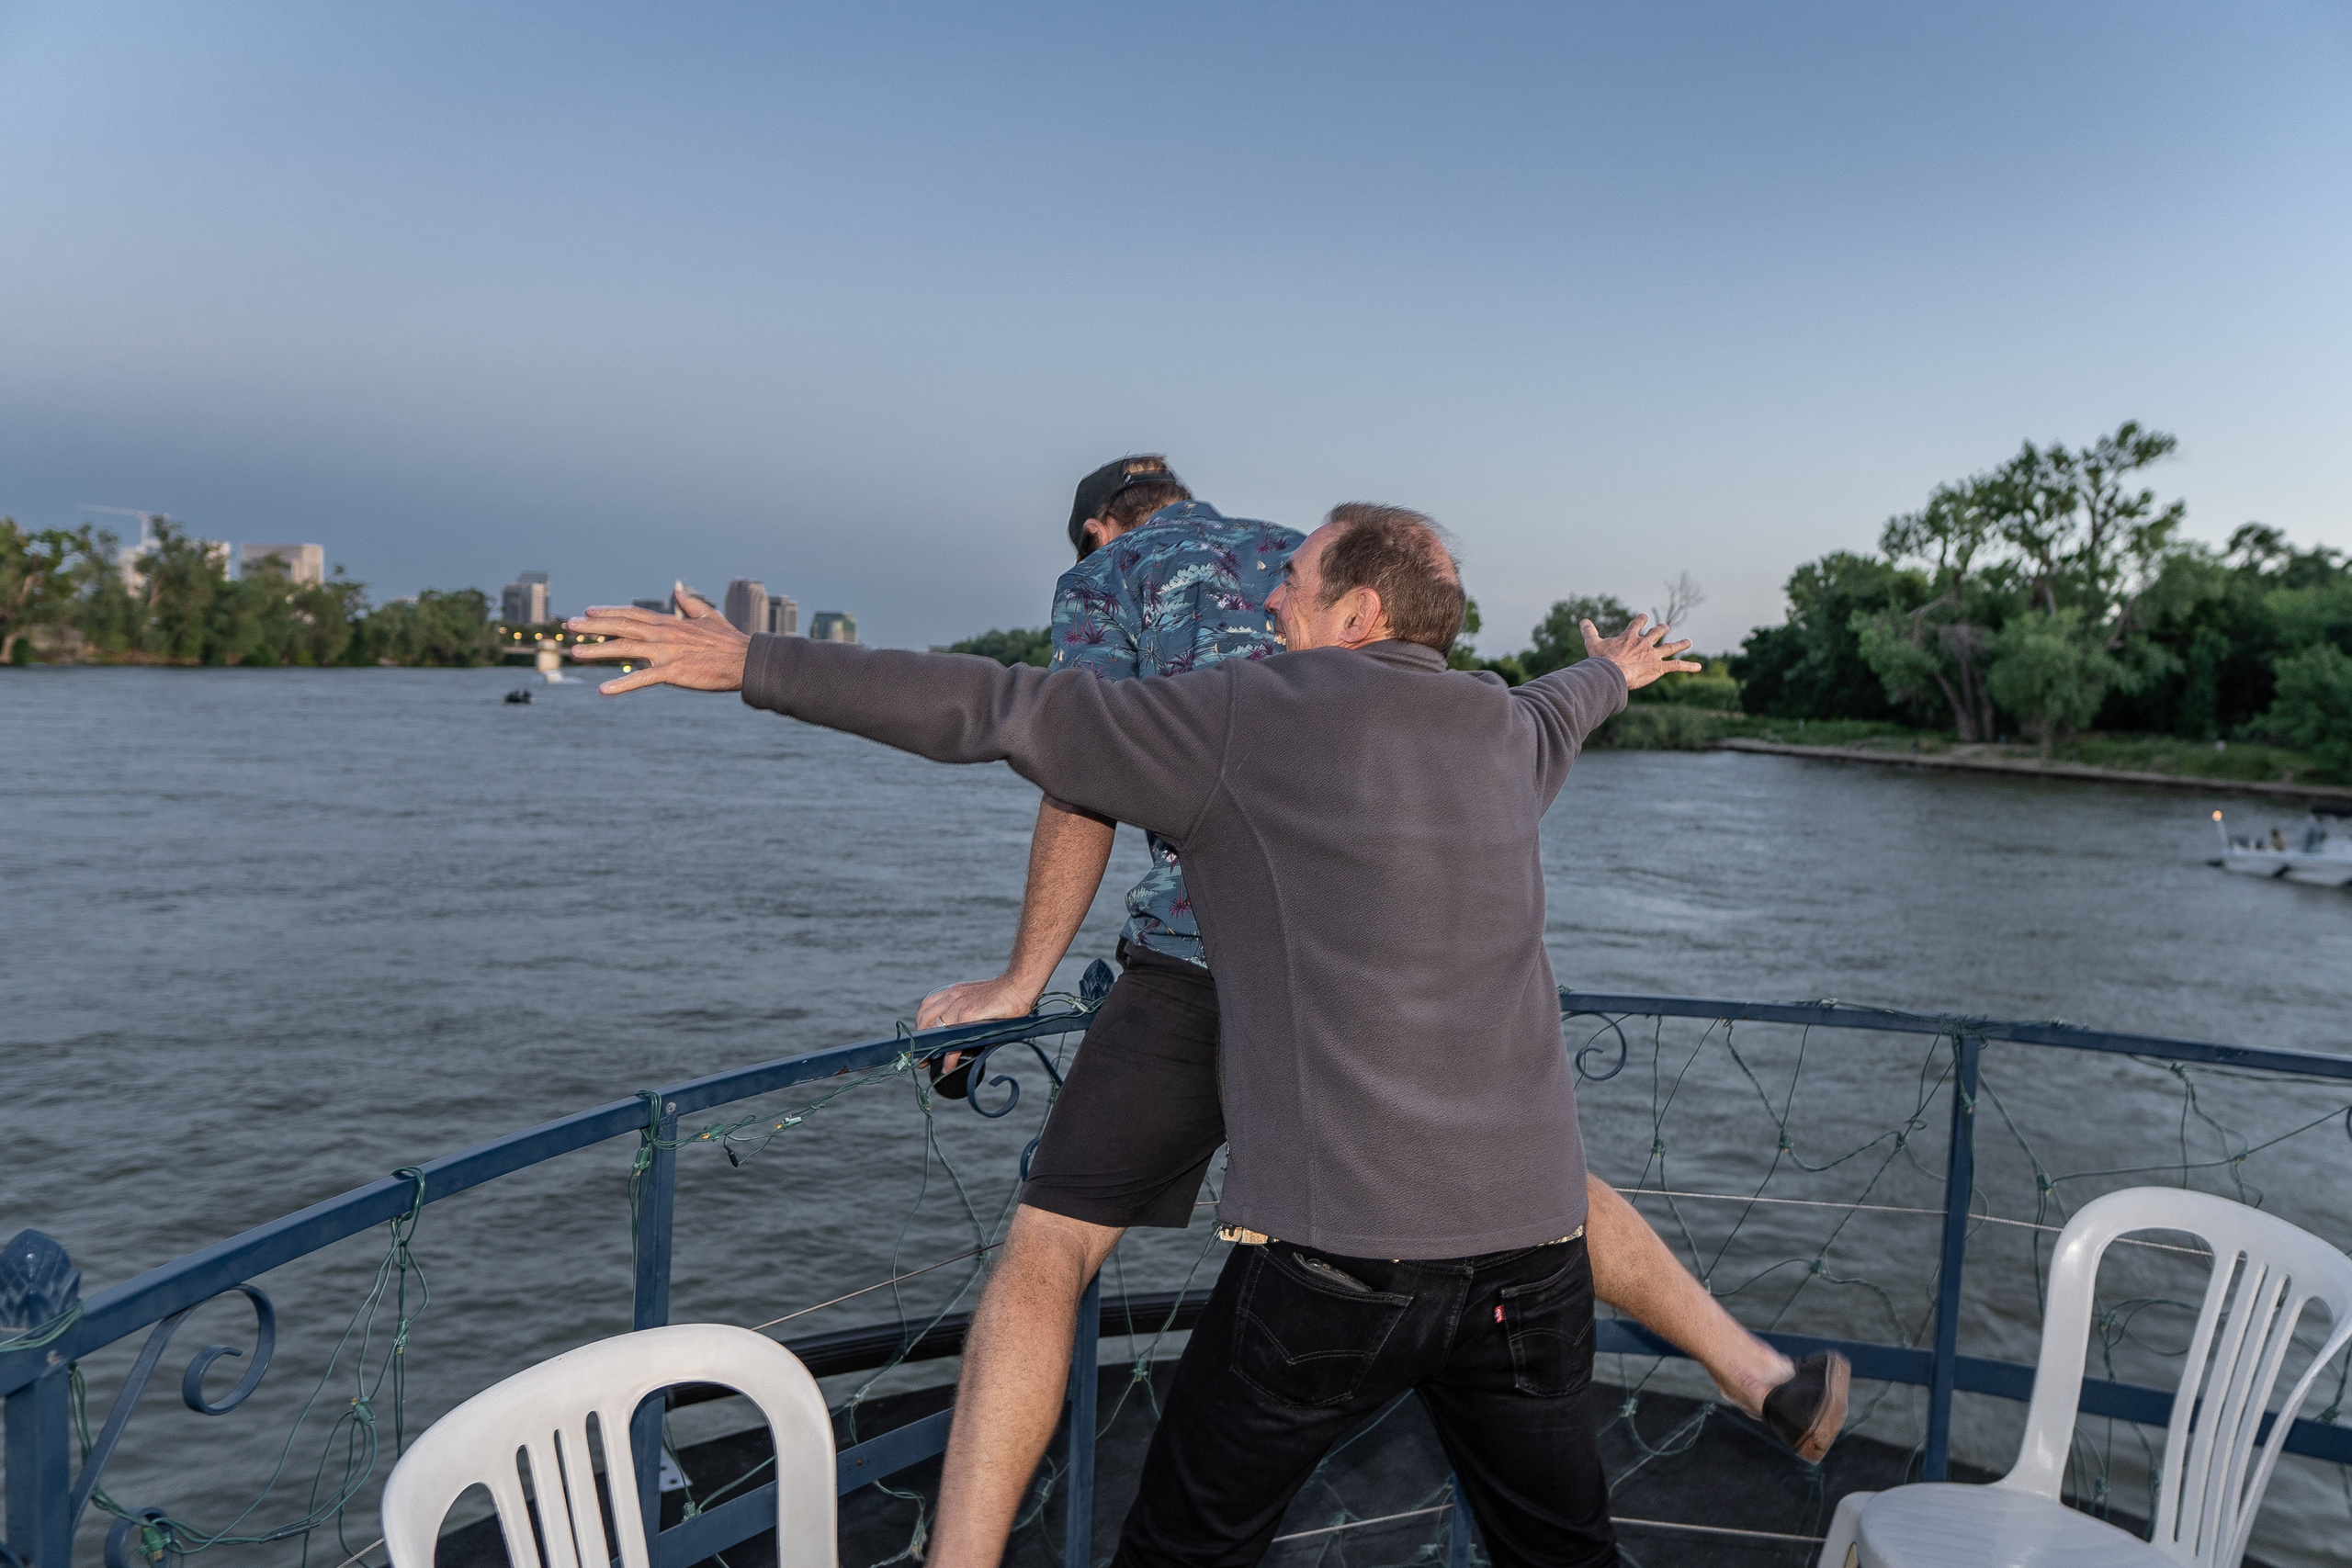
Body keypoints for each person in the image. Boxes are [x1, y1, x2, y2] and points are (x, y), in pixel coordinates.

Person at [565, 505, 1811, 1566]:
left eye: (1296, 577)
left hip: (1341, 1276)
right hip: (1536, 1261)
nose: (1270, 595)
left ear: (1360, 613)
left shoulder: (1241, 719)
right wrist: (1624, 666)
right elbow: (1570, 698)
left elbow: (995, 705)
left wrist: (754, 662)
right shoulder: (1502, 730)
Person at [912, 461, 1843, 1567]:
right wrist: (1614, 668)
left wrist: (1018, 981)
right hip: (1374, 951)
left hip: (1200, 948)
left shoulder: (1111, 573)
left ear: (1101, 527)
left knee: (1050, 1248)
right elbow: (1528, 717)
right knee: (1495, 1184)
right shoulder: (1315, 551)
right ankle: (1754, 1369)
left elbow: (1076, 777)